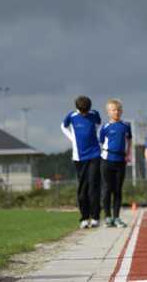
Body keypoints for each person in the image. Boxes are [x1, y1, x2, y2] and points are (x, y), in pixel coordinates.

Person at [61, 96, 102, 229]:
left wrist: (96, 135)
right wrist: (73, 138)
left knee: (94, 184)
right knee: (83, 187)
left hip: (95, 153)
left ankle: (95, 216)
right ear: (77, 108)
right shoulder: (71, 116)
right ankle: (84, 218)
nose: (85, 114)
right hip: (79, 156)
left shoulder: (94, 114)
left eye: (86, 112)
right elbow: (63, 126)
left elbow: (98, 124)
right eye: (82, 112)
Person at [99, 99, 132, 228]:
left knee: (118, 189)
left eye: (118, 110)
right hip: (107, 160)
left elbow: (129, 139)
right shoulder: (105, 127)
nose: (116, 112)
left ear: (121, 111)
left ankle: (117, 217)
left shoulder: (125, 125)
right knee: (107, 188)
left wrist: (127, 153)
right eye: (114, 110)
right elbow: (101, 142)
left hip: (120, 161)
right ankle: (107, 217)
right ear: (108, 112)